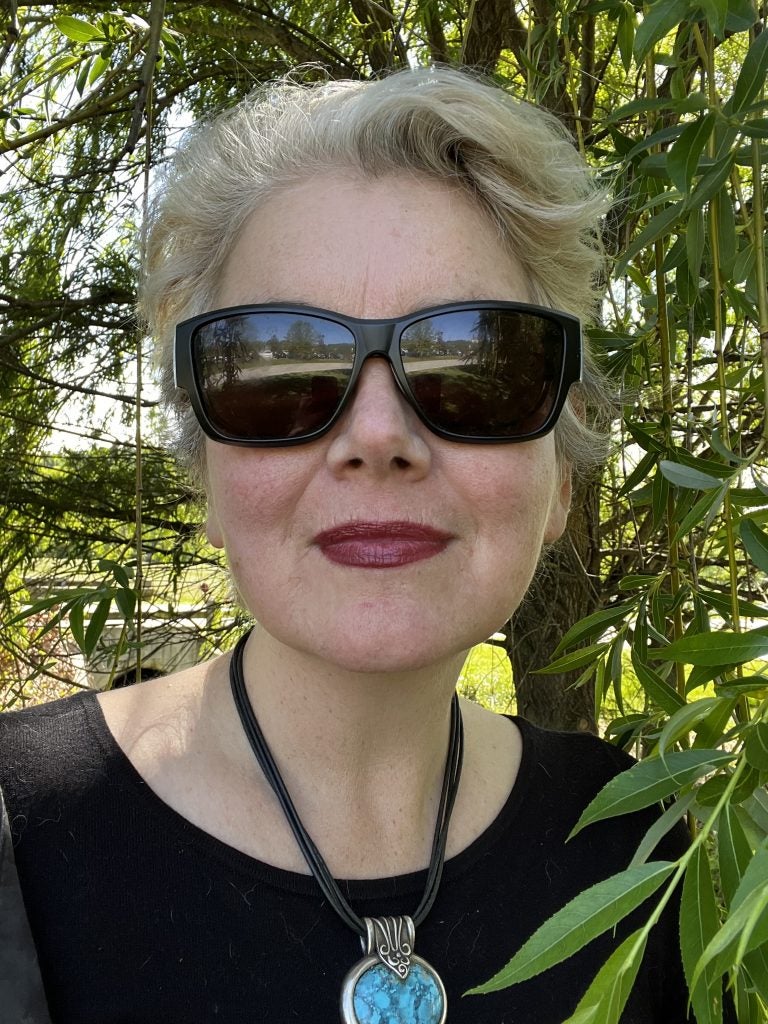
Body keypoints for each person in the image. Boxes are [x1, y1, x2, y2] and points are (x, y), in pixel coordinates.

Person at [0, 67, 691, 1023]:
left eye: (475, 364)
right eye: (279, 368)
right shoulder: (18, 838)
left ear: (562, 479)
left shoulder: (645, 848)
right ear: (205, 471)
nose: (377, 435)